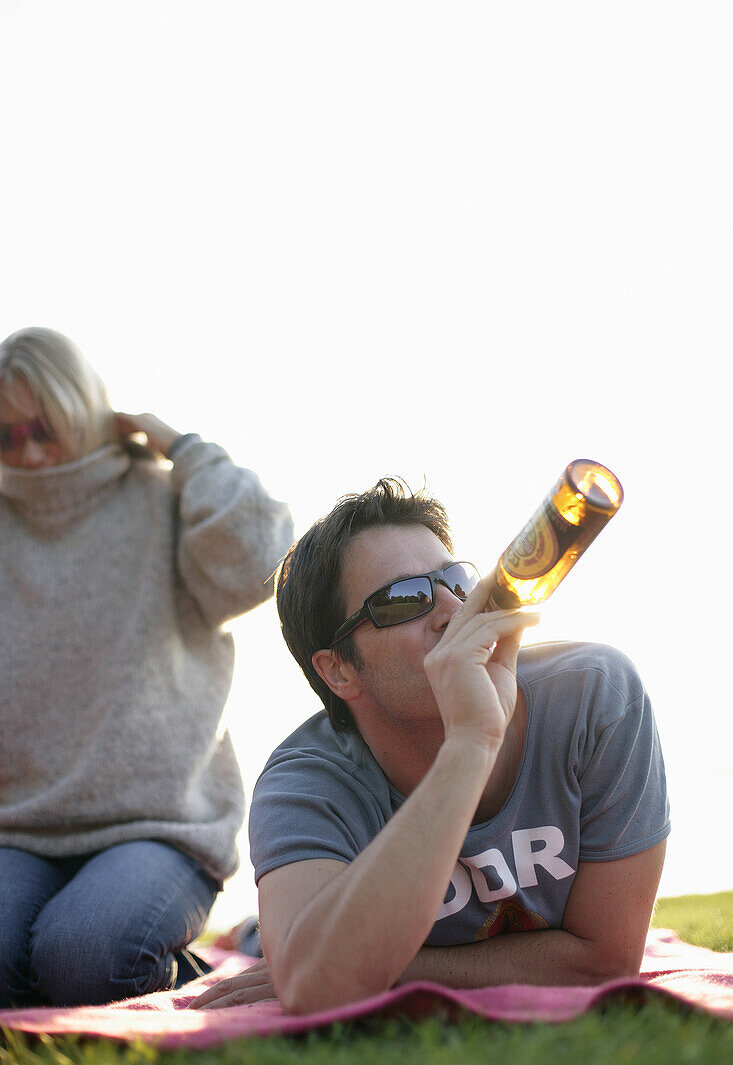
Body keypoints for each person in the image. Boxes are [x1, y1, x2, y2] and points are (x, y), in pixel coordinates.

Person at [192, 477, 670, 1015]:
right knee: (273, 945)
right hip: (319, 905)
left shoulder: (596, 697)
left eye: (454, 580)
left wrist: (374, 969)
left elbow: (605, 963)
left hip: (381, 936)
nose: (451, 609)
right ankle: (259, 933)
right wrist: (472, 742)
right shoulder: (306, 780)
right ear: (340, 669)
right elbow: (313, 982)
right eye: (403, 599)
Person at [0, 326, 294, 1008]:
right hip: (17, 826)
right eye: (7, 437)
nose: (31, 455)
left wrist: (182, 448)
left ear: (85, 411)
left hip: (157, 825)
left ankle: (203, 976)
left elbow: (262, 561)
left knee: (83, 961)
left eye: (45, 428)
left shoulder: (164, 496)